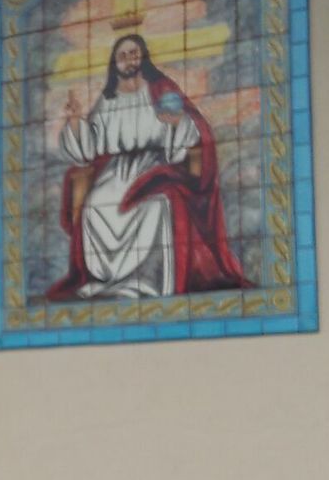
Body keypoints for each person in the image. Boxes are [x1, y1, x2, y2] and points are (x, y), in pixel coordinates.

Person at [48, 33, 247, 300]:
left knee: (155, 206)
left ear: (143, 58)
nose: (128, 61)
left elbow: (191, 129)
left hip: (155, 165)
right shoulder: (108, 100)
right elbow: (89, 148)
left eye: (133, 54)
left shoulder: (161, 90)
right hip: (116, 171)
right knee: (95, 206)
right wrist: (75, 121)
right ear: (114, 63)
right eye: (122, 56)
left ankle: (147, 282)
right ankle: (109, 281)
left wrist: (176, 122)